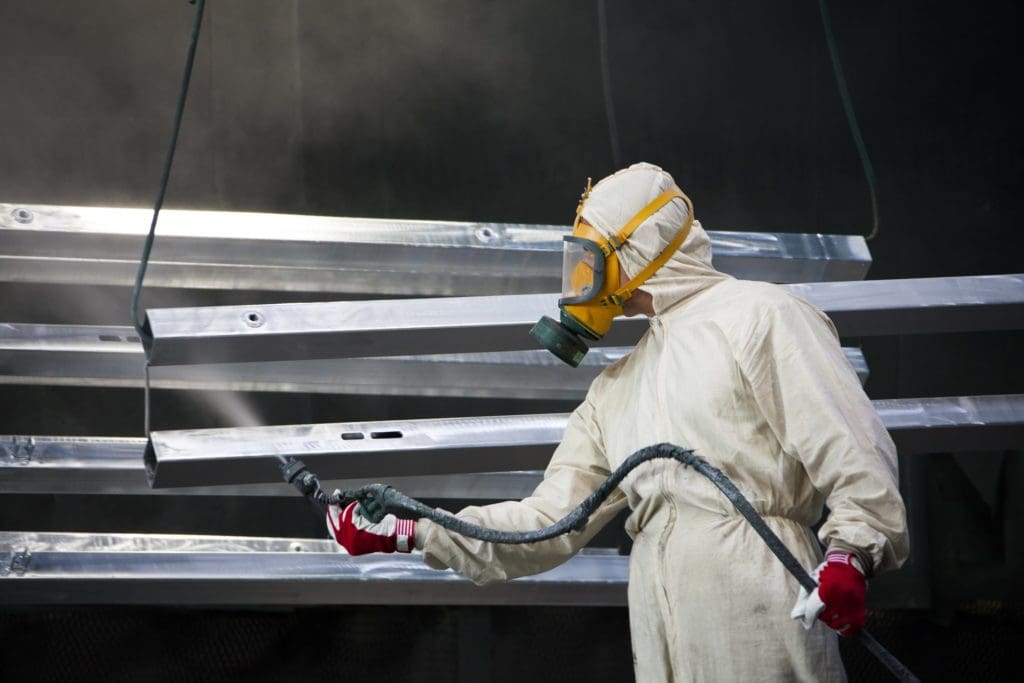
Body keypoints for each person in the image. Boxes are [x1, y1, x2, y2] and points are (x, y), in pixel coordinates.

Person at [326, 163, 909, 681]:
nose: (579, 283)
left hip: (759, 591)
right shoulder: (615, 389)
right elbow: (543, 525)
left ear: (637, 250)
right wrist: (416, 529)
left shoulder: (761, 317)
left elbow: (851, 447)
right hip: (656, 616)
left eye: (590, 260)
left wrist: (851, 553)